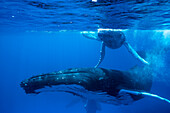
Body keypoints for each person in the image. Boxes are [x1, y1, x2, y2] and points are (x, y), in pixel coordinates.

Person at [81, 29, 149, 68]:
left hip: (117, 41)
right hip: (112, 42)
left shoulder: (121, 37)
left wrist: (141, 60)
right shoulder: (103, 38)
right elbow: (97, 39)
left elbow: (132, 52)